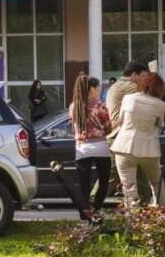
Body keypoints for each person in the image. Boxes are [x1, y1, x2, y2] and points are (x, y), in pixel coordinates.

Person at [94, 61, 151, 203]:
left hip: (123, 138)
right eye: (144, 76)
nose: (146, 79)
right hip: (121, 138)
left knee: (140, 177)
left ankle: (144, 214)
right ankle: (89, 207)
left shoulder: (116, 86)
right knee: (110, 177)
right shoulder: (130, 86)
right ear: (134, 75)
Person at [111, 73, 165, 208]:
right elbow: (160, 125)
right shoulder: (160, 105)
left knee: (129, 188)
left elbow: (121, 120)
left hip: (123, 148)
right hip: (149, 150)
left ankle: (133, 220)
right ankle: (161, 215)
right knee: (157, 184)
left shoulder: (128, 98)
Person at [69, 74, 112, 220]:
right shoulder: (99, 105)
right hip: (100, 147)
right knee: (104, 180)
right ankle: (96, 209)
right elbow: (108, 127)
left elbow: (74, 126)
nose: (98, 89)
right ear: (91, 88)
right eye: (97, 87)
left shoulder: (73, 106)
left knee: (84, 184)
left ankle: (84, 215)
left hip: (82, 148)